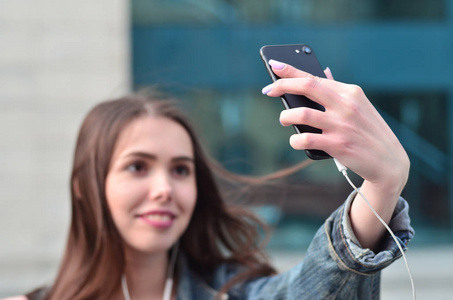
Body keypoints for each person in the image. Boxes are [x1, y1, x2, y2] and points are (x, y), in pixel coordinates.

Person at [5, 61, 413, 300]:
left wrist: (382, 185)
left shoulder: (233, 292)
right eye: (137, 167)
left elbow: (310, 289)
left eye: (181, 170)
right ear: (86, 185)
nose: (164, 188)